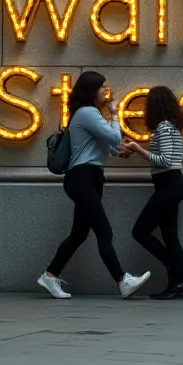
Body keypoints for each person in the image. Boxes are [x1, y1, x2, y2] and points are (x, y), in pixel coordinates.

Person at [38, 71, 151, 299]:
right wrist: (116, 114)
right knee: (104, 231)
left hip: (89, 178)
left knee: (79, 235)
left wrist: (119, 152)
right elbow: (114, 137)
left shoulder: (88, 114)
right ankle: (122, 280)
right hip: (82, 178)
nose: (106, 93)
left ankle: (50, 275)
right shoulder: (88, 112)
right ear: (91, 91)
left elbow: (105, 146)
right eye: (102, 88)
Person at [120, 86, 183, 300]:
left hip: (169, 184)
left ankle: (171, 266)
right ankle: (180, 285)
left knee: (140, 231)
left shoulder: (164, 127)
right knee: (170, 236)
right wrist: (135, 148)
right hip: (170, 185)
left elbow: (165, 161)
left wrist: (138, 149)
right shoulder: (171, 126)